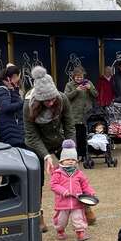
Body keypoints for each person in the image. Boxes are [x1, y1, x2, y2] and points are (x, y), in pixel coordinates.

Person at [24, 66, 76, 232]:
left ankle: (83, 205)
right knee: (36, 180)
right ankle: (37, 215)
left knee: (74, 173)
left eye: (52, 98)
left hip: (60, 140)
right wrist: (46, 156)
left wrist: (71, 149)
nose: (51, 102)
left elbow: (69, 125)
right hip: (37, 144)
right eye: (46, 101)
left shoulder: (61, 98)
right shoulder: (28, 105)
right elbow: (31, 136)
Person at [49, 140, 95, 241]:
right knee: (61, 220)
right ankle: (60, 230)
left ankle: (80, 233)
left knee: (78, 218)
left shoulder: (79, 173)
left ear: (76, 161)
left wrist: (89, 192)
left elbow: (85, 185)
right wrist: (64, 191)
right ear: (61, 161)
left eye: (73, 159)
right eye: (67, 159)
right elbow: (53, 185)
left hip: (77, 201)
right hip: (62, 202)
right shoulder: (58, 173)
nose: (70, 161)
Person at [64, 67, 98, 160]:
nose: (79, 78)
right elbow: (66, 97)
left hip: (87, 114)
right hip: (75, 115)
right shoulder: (69, 85)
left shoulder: (88, 83)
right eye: (77, 77)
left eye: (81, 77)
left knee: (87, 135)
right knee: (78, 136)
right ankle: (78, 155)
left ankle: (86, 154)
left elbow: (96, 95)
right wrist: (76, 90)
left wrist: (90, 88)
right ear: (73, 77)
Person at [0, 64, 25, 148]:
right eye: (17, 79)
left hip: (14, 129)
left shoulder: (10, 89)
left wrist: (15, 90)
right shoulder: (2, 90)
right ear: (11, 78)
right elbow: (6, 107)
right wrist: (23, 103)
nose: (17, 82)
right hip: (9, 129)